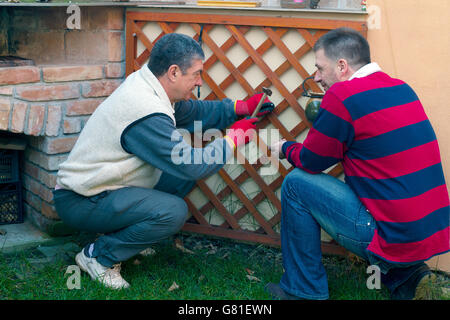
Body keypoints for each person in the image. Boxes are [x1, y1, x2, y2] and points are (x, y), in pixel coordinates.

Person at [52, 33, 274, 289]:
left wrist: (238, 108)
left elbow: (192, 112)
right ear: (174, 72)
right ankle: (99, 256)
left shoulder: (150, 86)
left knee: (177, 179)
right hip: (82, 199)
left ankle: (123, 238)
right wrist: (233, 140)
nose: (200, 81)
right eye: (197, 74)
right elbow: (192, 164)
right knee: (173, 211)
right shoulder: (145, 109)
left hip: (104, 186)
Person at [267, 27, 449, 300]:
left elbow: (311, 162)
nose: (316, 77)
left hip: (392, 235)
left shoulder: (344, 96)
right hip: (429, 230)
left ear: (342, 66)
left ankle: (302, 291)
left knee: (296, 183)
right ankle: (409, 275)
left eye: (320, 68)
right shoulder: (401, 87)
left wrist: (284, 148)